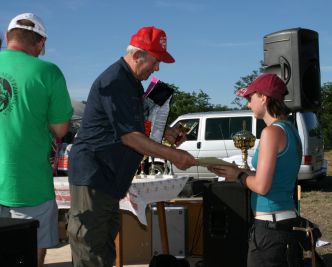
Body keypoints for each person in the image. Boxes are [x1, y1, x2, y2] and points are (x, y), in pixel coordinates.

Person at [67, 26, 197, 267]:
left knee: (103, 249)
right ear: (138, 55)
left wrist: (166, 132)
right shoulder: (116, 80)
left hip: (108, 179)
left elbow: (132, 126)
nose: (157, 68)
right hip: (95, 176)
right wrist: (174, 155)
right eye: (156, 61)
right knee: (91, 250)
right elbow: (129, 137)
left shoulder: (131, 83)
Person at [207, 73, 303, 267]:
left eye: (250, 98)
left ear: (264, 98)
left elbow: (261, 186)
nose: (248, 104)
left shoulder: (271, 132)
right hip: (286, 224)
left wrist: (239, 175)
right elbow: (271, 177)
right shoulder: (290, 130)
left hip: (270, 230)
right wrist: (234, 171)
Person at [0, 13, 73, 267]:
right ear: (41, 44)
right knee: (28, 255)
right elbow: (61, 128)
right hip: (28, 186)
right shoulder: (48, 72)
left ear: (8, 37)